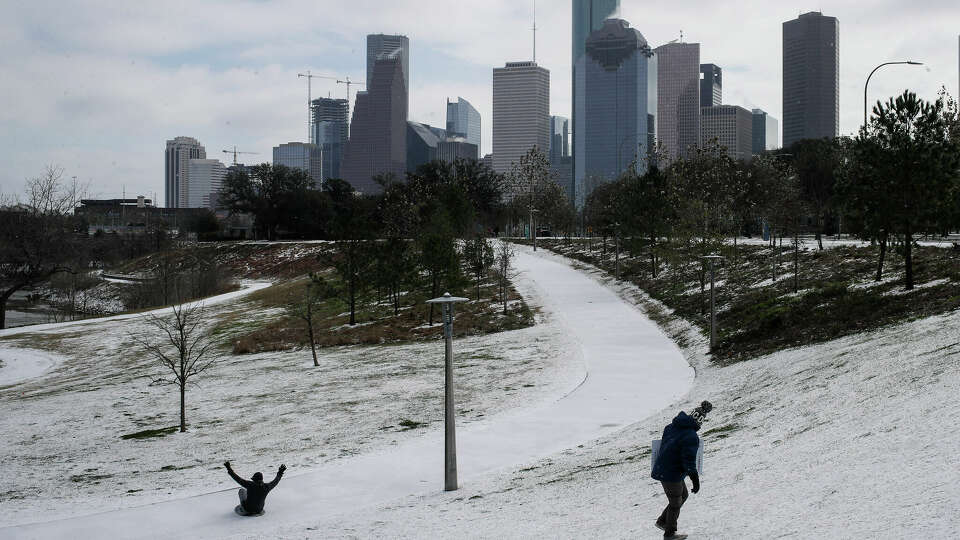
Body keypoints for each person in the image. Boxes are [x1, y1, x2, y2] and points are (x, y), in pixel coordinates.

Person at [651, 401, 712, 539]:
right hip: (671, 474)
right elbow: (689, 462)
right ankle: (670, 533)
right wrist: (695, 480)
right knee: (675, 502)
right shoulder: (691, 436)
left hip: (664, 469)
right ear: (699, 423)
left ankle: (663, 521)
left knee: (683, 495)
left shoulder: (671, 427)